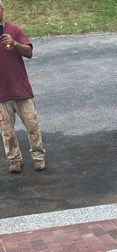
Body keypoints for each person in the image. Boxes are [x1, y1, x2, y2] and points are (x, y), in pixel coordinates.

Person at [0, 0, 45, 174]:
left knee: (32, 125)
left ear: (2, 10)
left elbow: (29, 52)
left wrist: (15, 44)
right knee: (7, 132)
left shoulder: (14, 30)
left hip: (21, 90)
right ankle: (14, 160)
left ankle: (38, 157)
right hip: (1, 93)